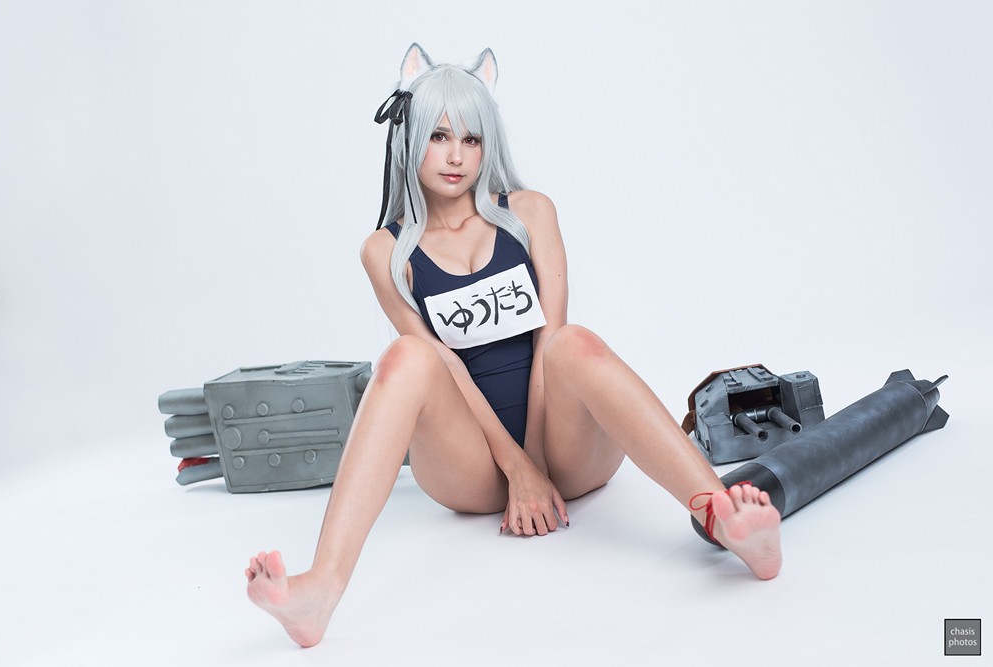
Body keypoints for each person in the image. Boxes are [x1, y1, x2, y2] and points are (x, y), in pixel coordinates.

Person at [245, 44, 782, 648]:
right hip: (471, 470)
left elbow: (550, 340)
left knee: (573, 342)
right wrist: (516, 468)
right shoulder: (385, 251)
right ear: (409, 140)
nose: (456, 155)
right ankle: (320, 589)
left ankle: (721, 518)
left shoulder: (530, 213)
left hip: (566, 448)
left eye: (471, 139)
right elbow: (444, 366)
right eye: (438, 136)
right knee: (406, 358)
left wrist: (539, 459)